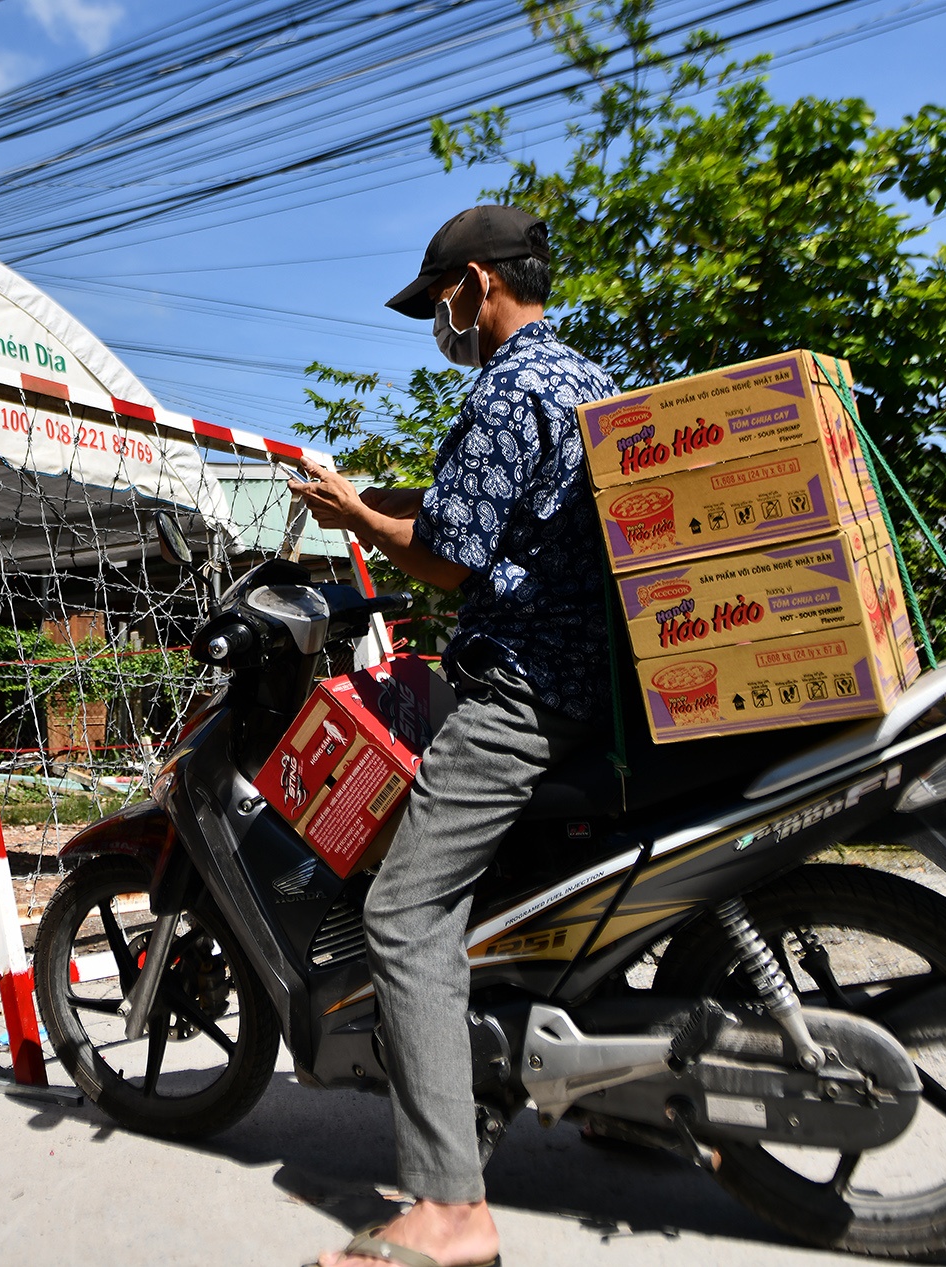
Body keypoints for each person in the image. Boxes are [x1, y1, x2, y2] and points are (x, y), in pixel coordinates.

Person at [290, 206, 616, 1267]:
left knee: (403, 907)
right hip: (592, 690)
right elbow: (482, 514)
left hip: (517, 691)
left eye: (441, 301)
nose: (442, 321)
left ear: (477, 284)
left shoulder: (504, 387)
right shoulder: (586, 380)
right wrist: (366, 503)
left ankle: (445, 1206)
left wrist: (349, 518)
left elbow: (447, 560)